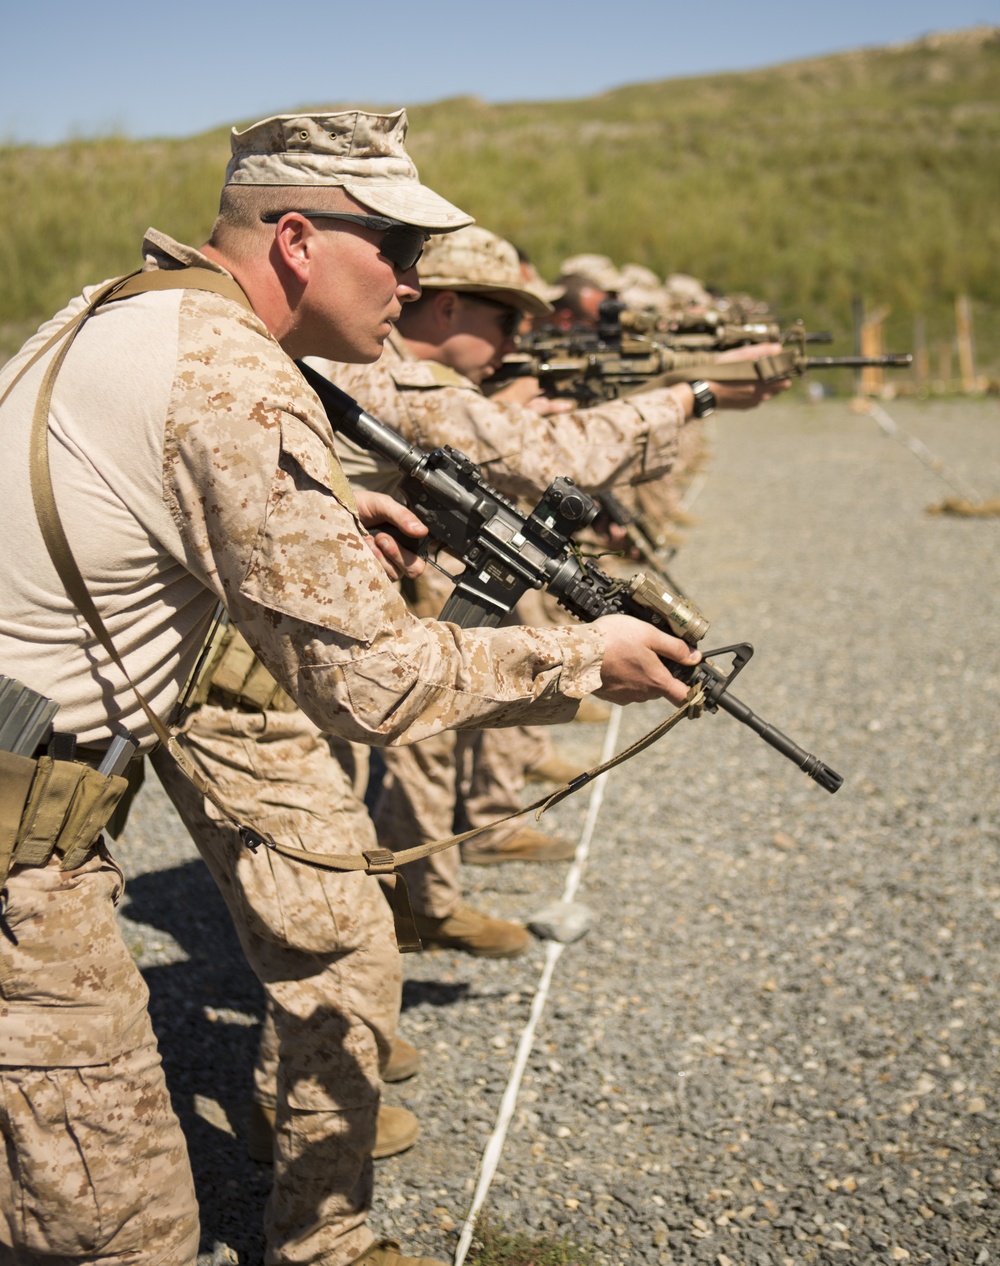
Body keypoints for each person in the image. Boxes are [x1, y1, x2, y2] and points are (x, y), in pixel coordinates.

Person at [0, 109, 702, 1266]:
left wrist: (328, 512)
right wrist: (588, 655)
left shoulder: (127, 307)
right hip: (23, 851)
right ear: (295, 240)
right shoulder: (230, 373)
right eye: (396, 247)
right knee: (119, 1235)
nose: (414, 283)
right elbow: (370, 687)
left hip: (39, 806)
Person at [315, 224, 787, 957]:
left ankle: (417, 907)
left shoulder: (392, 373)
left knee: (392, 768)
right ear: (446, 309)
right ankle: (403, 922)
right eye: (505, 319)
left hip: (343, 611)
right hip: (301, 640)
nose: (516, 340)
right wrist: (699, 393)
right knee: (353, 796)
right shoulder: (396, 377)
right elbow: (557, 454)